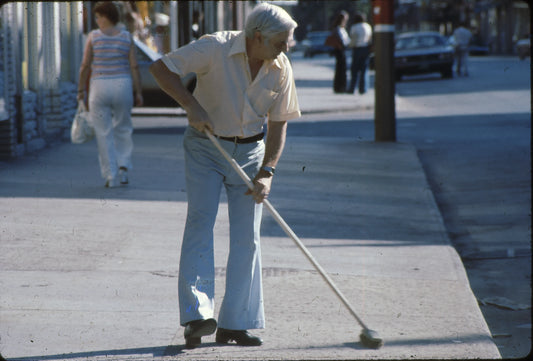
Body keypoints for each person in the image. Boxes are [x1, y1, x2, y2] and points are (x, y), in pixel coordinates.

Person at [149, 3, 300, 349]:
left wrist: (268, 172)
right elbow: (161, 68)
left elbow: (279, 125)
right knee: (200, 223)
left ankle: (235, 323)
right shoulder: (215, 47)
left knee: (248, 236)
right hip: (207, 147)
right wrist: (191, 105)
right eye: (282, 41)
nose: (286, 48)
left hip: (251, 153)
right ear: (257, 36)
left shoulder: (280, 67)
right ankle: (197, 317)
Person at [77, 1, 143, 188]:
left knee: (103, 132)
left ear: (107, 17)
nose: (97, 20)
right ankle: (123, 169)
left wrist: (81, 90)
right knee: (123, 128)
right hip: (122, 84)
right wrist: (138, 92)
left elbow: (85, 66)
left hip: (99, 85)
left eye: (99, 16)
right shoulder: (126, 37)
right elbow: (134, 66)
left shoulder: (94, 37)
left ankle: (110, 175)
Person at [347, 12, 372, 94]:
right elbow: (369, 39)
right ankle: (363, 88)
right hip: (365, 48)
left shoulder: (354, 27)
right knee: (364, 69)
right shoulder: (368, 27)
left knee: (354, 70)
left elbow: (353, 38)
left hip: (357, 48)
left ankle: (352, 88)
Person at [329, 11, 350, 93]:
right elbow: (342, 40)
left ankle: (341, 86)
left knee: (342, 69)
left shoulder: (342, 28)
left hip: (342, 50)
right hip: (339, 50)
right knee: (341, 69)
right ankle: (340, 87)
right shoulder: (338, 29)